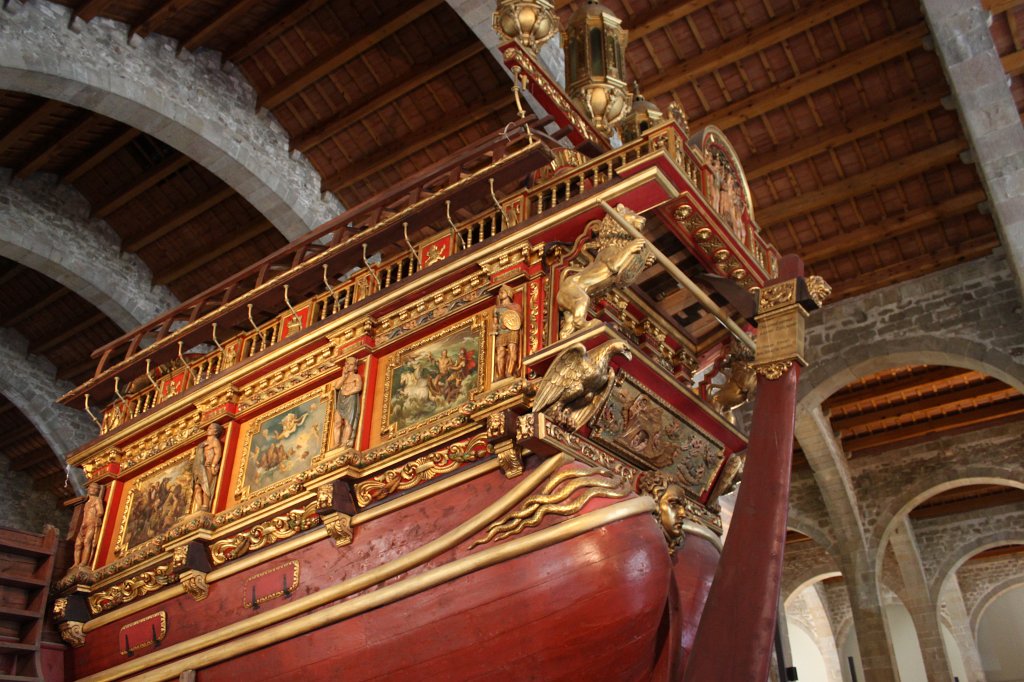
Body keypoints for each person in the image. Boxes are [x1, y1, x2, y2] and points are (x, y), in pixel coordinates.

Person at [331, 357, 363, 449]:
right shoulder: (343, 378)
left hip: (350, 400)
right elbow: (337, 387)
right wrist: (343, 377)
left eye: (351, 364)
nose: (348, 366)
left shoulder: (357, 377)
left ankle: (345, 443)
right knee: (337, 422)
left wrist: (348, 392)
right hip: (341, 400)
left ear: (355, 366)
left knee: (348, 423)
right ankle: (336, 444)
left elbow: (358, 387)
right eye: (347, 364)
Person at [191, 423, 224, 513]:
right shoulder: (203, 443)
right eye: (208, 428)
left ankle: (205, 506)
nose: (208, 429)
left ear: (216, 431)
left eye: (211, 428)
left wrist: (213, 464)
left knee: (206, 487)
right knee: (197, 488)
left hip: (208, 467)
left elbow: (218, 454)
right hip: (200, 467)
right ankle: (199, 506)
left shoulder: (215, 441)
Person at [494, 286, 522, 380]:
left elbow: (519, 320)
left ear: (508, 293)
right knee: (500, 354)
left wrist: (510, 324)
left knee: (512, 352)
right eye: (499, 292)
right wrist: (497, 326)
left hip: (512, 331)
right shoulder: (497, 309)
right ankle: (500, 375)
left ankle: (509, 372)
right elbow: (495, 323)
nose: (500, 293)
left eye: (502, 291)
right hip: (501, 333)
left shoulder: (515, 307)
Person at [74, 483, 104, 567]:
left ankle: (84, 562)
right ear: (88, 489)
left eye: (96, 489)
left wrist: (96, 519)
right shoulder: (87, 502)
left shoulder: (97, 500)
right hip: (83, 525)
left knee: (87, 542)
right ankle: (76, 563)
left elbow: (100, 512)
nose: (94, 490)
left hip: (91, 524)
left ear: (98, 491)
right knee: (78, 544)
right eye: (92, 488)